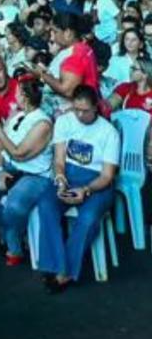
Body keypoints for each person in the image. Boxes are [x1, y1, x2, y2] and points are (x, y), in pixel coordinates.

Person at [34, 84, 120, 293]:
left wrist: (86, 190)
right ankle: (56, 264)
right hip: (70, 174)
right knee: (46, 204)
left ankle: (63, 273)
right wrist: (61, 178)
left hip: (96, 181)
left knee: (88, 218)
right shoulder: (64, 121)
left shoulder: (109, 132)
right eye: (76, 109)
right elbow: (59, 160)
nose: (80, 115)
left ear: (96, 107)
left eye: (85, 111)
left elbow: (107, 176)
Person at [0, 75, 54, 265]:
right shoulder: (16, 115)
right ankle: (13, 234)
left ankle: (13, 245)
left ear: (24, 96)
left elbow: (18, 153)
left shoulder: (42, 123)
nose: (14, 94)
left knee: (14, 207)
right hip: (9, 166)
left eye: (17, 91)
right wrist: (0, 170)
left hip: (35, 174)